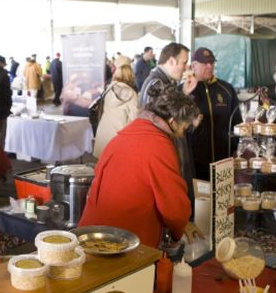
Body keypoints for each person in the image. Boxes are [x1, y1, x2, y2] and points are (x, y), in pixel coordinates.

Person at [79, 85, 202, 248]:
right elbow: (173, 205)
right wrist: (179, 229)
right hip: (123, 240)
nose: (181, 135)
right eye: (183, 129)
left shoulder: (125, 134)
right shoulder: (159, 146)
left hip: (92, 230)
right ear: (172, 122)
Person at [139, 42, 198, 211]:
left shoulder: (165, 82)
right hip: (163, 153)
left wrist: (184, 93)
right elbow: (159, 123)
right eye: (184, 63)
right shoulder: (156, 83)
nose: (186, 68)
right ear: (171, 61)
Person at [189, 47, 239, 180]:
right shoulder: (185, 91)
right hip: (194, 163)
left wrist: (235, 149)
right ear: (194, 65)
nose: (209, 66)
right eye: (205, 63)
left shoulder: (226, 89)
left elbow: (237, 123)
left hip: (223, 161)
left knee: (223, 200)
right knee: (199, 200)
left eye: (211, 62)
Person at [93, 64, 140, 158]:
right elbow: (135, 118)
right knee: (117, 163)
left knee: (103, 162)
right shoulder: (132, 93)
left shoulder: (108, 89)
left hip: (104, 132)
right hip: (120, 135)